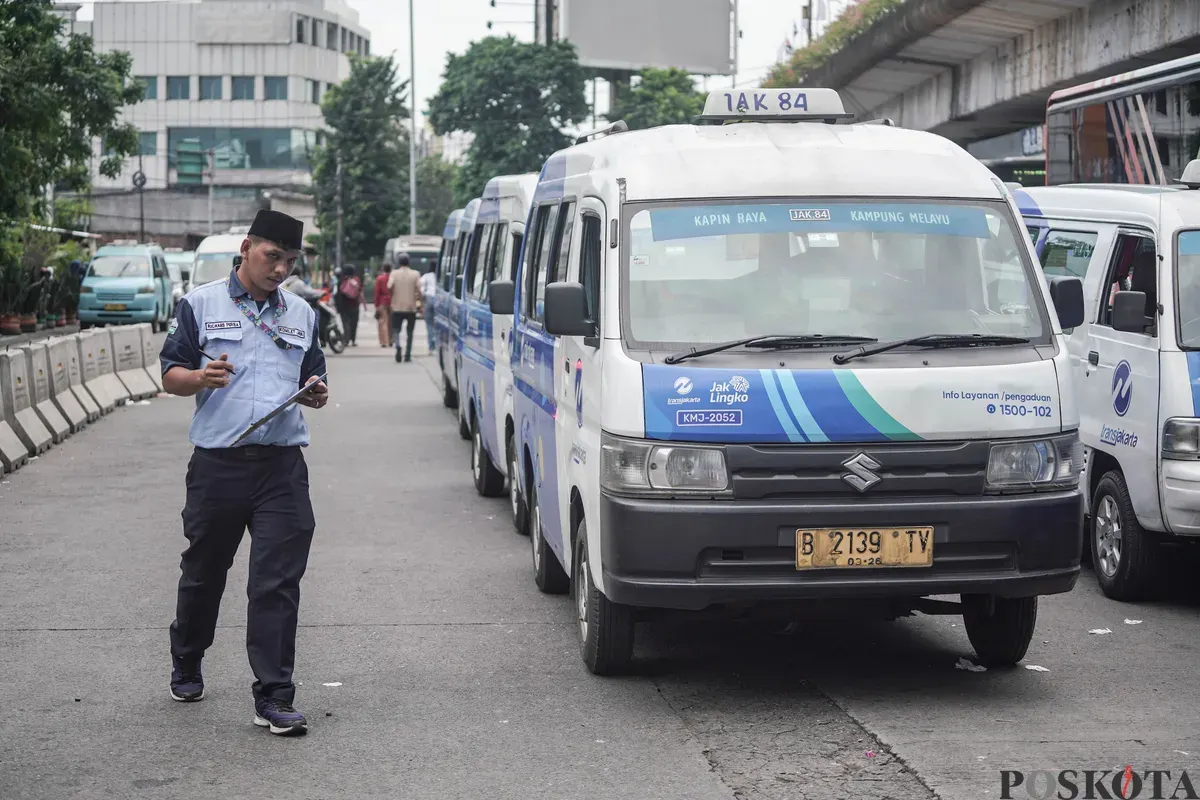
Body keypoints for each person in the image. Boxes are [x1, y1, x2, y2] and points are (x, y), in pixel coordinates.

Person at [158, 208, 329, 737]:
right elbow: (170, 375)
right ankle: (187, 658)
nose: (281, 269)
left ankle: (274, 696)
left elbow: (312, 374)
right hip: (218, 465)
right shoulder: (199, 305)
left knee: (276, 582)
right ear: (247, 249)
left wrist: (317, 392)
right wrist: (199, 377)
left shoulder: (301, 312)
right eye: (272, 257)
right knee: (205, 572)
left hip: (281, 466)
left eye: (290, 261)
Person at [387, 253, 422, 363]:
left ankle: (397, 345)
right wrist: (419, 302)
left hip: (397, 307)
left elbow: (389, 286)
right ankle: (407, 355)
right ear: (409, 262)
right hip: (411, 307)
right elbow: (419, 289)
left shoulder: (394, 273)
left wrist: (393, 295)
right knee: (410, 332)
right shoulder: (415, 274)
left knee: (396, 330)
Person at [334, 265, 363, 346]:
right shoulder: (356, 280)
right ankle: (353, 340)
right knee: (354, 323)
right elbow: (360, 291)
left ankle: (346, 340)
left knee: (345, 323)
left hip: (344, 306)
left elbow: (337, 294)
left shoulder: (341, 280)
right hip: (355, 305)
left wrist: (337, 306)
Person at [419, 263, 437, 352]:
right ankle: (438, 342)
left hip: (429, 299)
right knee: (439, 323)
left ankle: (431, 346)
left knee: (429, 323)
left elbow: (421, 290)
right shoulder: (440, 275)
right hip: (439, 299)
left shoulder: (426, 276)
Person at [374, 264, 393, 348]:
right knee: (391, 322)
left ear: (383, 269)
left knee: (382, 322)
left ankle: (384, 341)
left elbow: (377, 292)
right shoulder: (393, 278)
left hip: (382, 301)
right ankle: (391, 340)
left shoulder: (380, 279)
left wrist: (376, 304)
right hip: (392, 301)